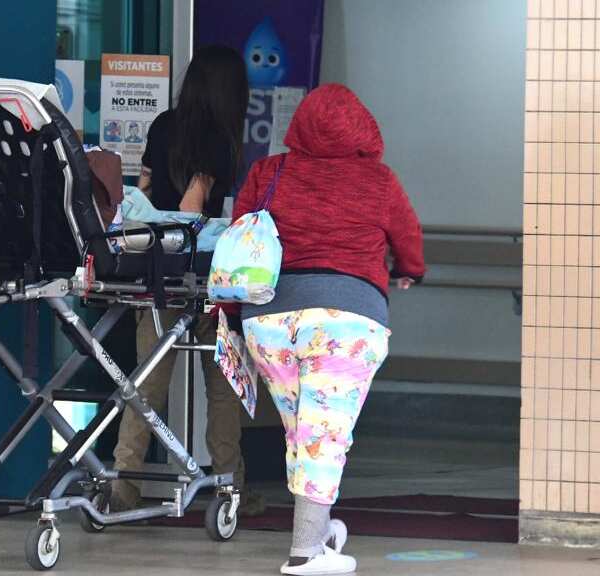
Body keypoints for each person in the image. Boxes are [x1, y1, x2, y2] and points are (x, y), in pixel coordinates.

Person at [233, 83, 425, 575]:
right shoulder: (378, 181)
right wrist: (410, 270)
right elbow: (409, 241)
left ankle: (320, 532)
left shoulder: (268, 172)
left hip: (269, 321)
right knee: (324, 436)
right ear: (365, 129)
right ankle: (304, 556)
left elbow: (240, 232)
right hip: (344, 322)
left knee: (305, 432)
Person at [109, 45, 255, 512]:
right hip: (202, 277)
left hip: (153, 274)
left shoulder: (163, 125)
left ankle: (123, 485)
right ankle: (229, 487)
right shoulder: (220, 140)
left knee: (145, 382)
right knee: (223, 385)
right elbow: (192, 206)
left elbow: (145, 189)